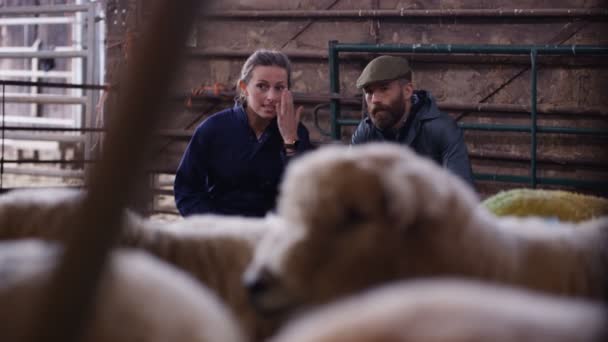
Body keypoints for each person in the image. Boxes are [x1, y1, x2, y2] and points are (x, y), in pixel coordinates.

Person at [174, 49, 312, 217]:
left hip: (274, 233)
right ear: (244, 88)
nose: (271, 96)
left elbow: (306, 192)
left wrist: (290, 140)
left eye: (279, 88)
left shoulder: (297, 132)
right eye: (262, 86)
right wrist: (213, 227)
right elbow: (187, 191)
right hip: (222, 232)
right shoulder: (213, 129)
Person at [351, 55, 475, 187]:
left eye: (384, 88)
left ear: (407, 91)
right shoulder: (366, 132)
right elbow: (346, 188)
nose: (375, 99)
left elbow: (461, 192)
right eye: (369, 92)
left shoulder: (441, 129)